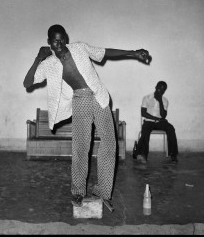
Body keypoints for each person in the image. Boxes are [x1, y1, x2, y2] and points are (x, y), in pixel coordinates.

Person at [23, 24, 151, 211]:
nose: (58, 43)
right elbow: (27, 83)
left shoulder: (79, 47)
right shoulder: (48, 63)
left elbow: (105, 52)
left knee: (109, 142)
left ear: (65, 38)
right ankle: (78, 191)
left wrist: (133, 53)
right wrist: (38, 58)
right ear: (49, 41)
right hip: (80, 100)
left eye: (61, 39)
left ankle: (103, 192)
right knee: (81, 146)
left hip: (98, 96)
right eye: (54, 40)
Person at [133, 81, 178, 164]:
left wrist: (160, 101)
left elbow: (163, 115)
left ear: (164, 91)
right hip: (149, 121)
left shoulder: (165, 101)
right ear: (155, 87)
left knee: (171, 128)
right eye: (158, 88)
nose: (160, 91)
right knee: (145, 131)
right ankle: (143, 155)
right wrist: (156, 118)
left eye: (162, 90)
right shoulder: (146, 98)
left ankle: (173, 154)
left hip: (160, 122)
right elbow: (143, 113)